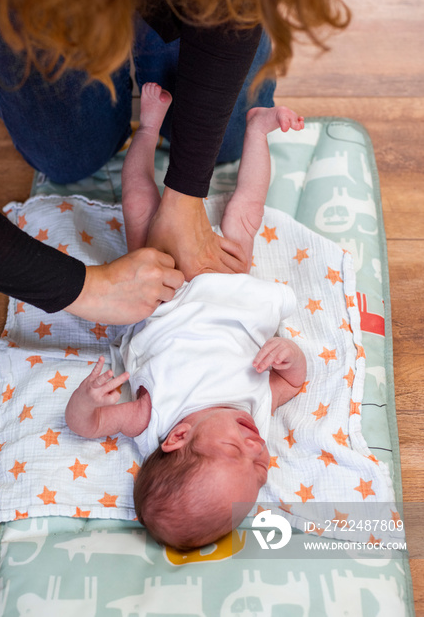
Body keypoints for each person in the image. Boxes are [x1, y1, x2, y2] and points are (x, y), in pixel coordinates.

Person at [0, 0, 372, 325]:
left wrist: (186, 194)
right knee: (67, 158)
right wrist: (90, 289)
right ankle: (144, 111)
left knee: (223, 143)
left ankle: (155, 87)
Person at [65, 83, 307, 549]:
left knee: (138, 204)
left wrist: (88, 398)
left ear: (178, 437)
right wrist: (289, 354)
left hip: (160, 285)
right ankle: (258, 129)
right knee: (245, 214)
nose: (258, 449)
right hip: (228, 282)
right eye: (260, 470)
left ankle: (149, 128)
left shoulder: (153, 417)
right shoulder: (255, 410)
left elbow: (85, 425)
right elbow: (295, 383)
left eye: (236, 451)